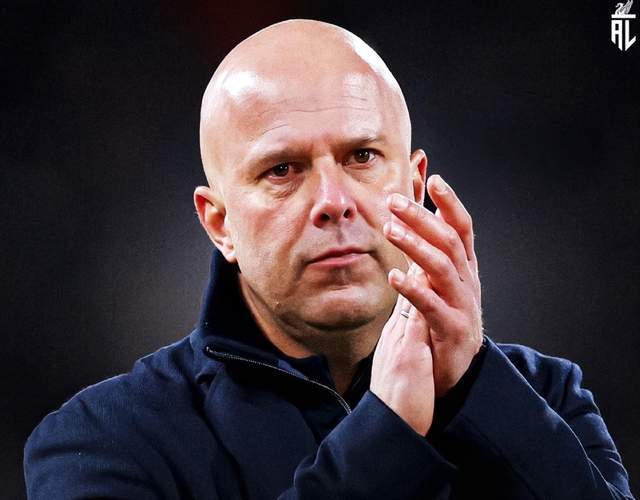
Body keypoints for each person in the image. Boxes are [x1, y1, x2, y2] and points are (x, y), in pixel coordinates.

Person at [24, 19, 634, 500]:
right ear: (220, 223)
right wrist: (387, 436)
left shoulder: (546, 394)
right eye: (282, 169)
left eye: (362, 156)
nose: (334, 202)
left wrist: (477, 392)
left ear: (415, 184)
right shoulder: (101, 440)